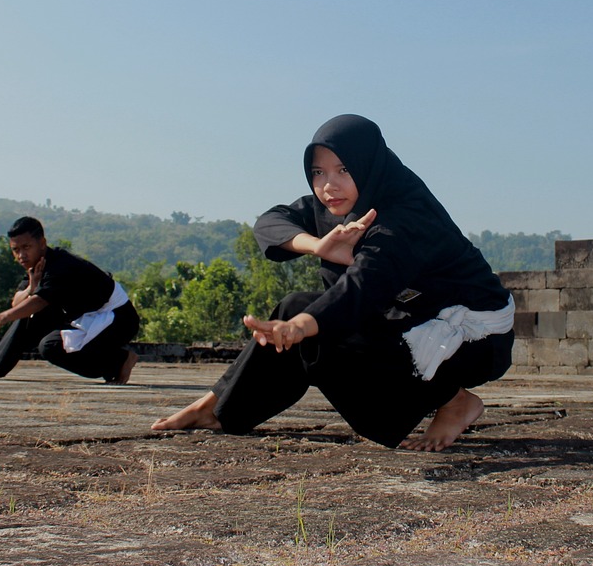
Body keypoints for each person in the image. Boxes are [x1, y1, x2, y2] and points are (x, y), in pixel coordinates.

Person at [152, 114, 514, 451]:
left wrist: (300, 326)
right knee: (298, 313)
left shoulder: (403, 217)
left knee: (304, 319)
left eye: (343, 169)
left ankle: (453, 399)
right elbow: (270, 222)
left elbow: (361, 289)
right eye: (318, 172)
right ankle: (216, 407)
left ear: (368, 164)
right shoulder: (336, 206)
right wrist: (317, 246)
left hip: (472, 341)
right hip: (410, 323)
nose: (328, 186)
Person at [0, 216, 140, 384]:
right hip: (83, 318)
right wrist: (31, 287)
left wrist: (3, 317)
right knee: (30, 316)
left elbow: (38, 302)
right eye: (16, 250)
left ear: (42, 243)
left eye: (26, 248)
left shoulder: (60, 266)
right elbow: (18, 303)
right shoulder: (36, 267)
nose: (21, 255)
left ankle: (120, 361)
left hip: (118, 320)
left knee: (51, 347)